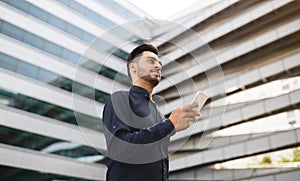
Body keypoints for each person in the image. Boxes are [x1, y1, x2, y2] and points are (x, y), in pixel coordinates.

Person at [102, 43, 199, 181]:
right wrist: (169, 125)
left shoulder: (157, 113)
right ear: (133, 67)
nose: (158, 66)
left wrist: (171, 127)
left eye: (159, 63)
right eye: (151, 61)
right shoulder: (120, 99)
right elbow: (119, 149)